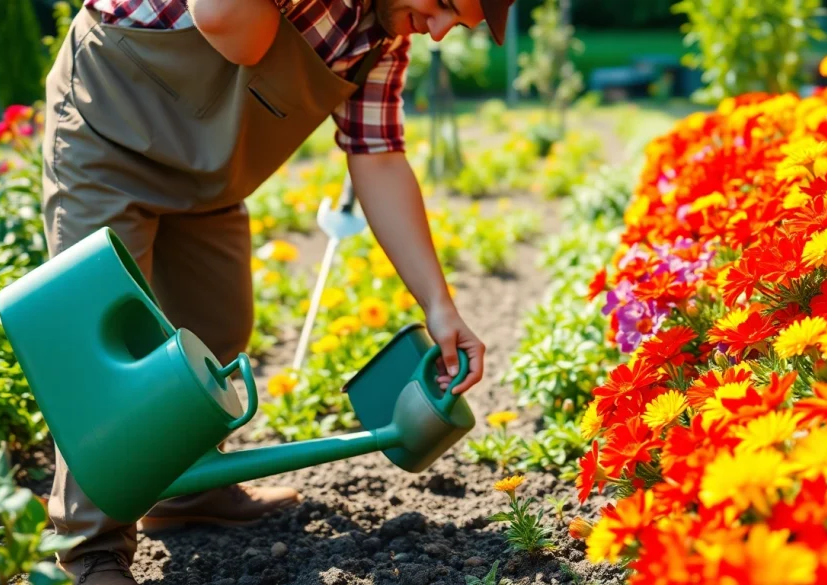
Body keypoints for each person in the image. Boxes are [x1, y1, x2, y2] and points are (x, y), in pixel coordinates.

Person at [40, 0, 511, 582]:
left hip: (208, 177)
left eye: (455, 23)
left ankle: (185, 497)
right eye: (442, 5)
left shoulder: (382, 39)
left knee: (218, 325)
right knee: (105, 342)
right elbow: (221, 19)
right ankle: (91, 550)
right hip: (106, 131)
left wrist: (440, 306)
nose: (438, 31)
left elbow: (379, 156)